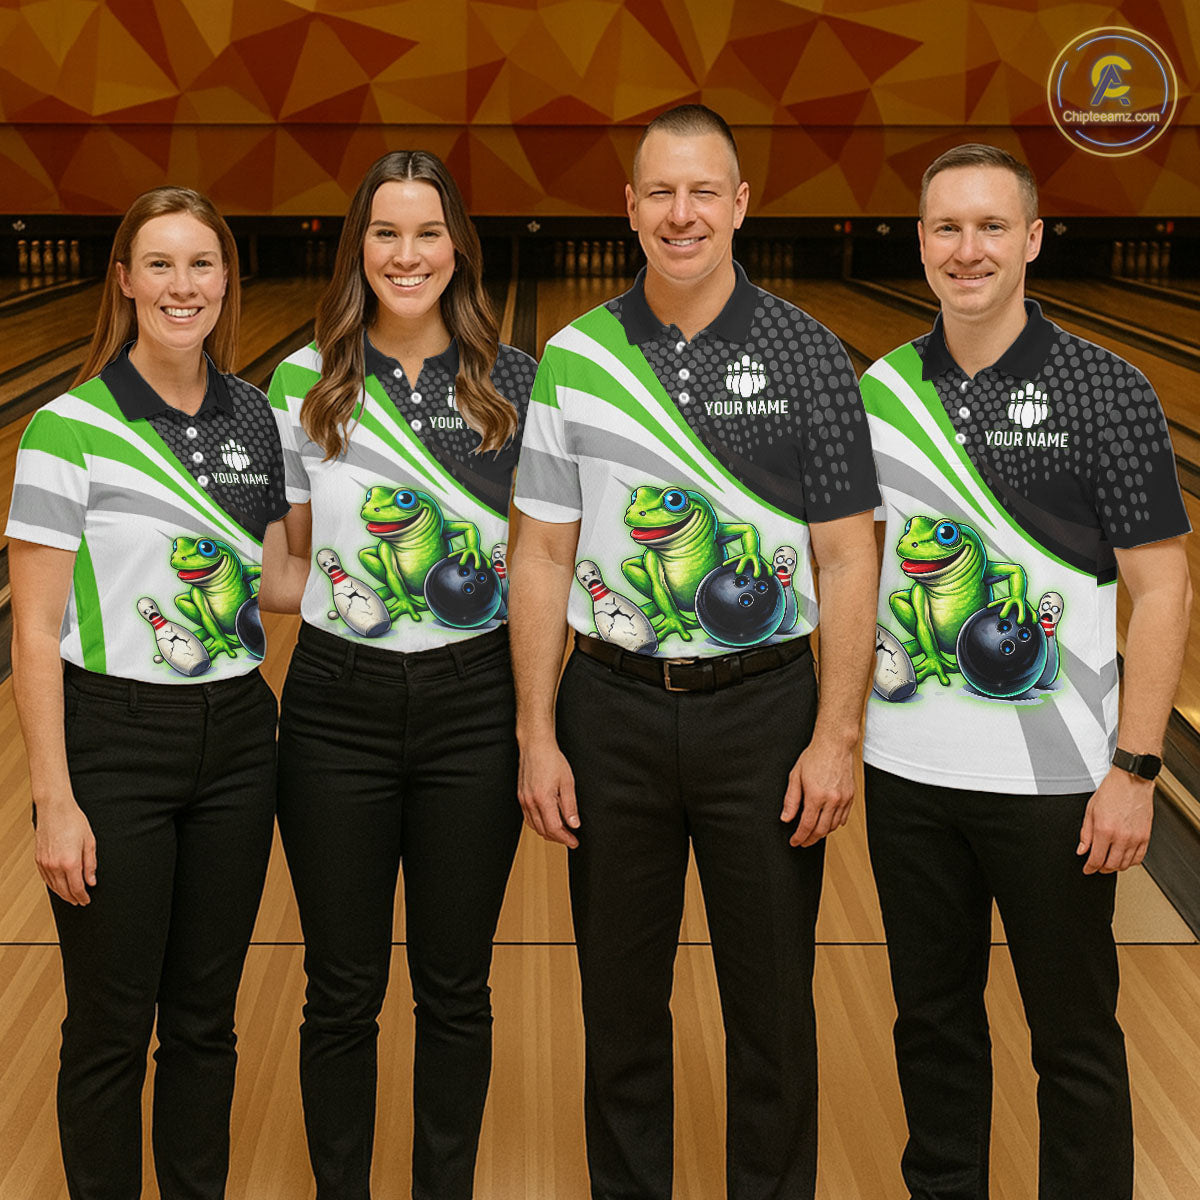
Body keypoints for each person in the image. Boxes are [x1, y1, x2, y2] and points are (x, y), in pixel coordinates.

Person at [509, 104, 880, 1199]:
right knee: (620, 1008)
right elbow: (542, 553)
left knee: (773, 1009)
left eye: (703, 191)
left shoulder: (810, 355)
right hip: (610, 711)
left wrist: (837, 735)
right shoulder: (576, 358)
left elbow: (847, 558)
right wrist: (536, 732)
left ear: (740, 205)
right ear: (629, 208)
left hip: (765, 715)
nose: (682, 214)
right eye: (661, 193)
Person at [860, 144, 1192, 1200]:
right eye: (947, 228)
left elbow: (1165, 589)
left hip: (1057, 785)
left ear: (1034, 238)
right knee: (932, 1025)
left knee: (1073, 1036)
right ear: (921, 242)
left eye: (992, 226)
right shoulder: (882, 391)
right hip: (907, 776)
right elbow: (850, 573)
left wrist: (1135, 769)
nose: (969, 250)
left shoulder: (1109, 390)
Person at [8, 187, 289, 1199]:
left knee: (205, 1022)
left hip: (239, 737)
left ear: (227, 280)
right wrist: (55, 799)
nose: (183, 285)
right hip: (113, 742)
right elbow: (33, 631)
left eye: (201, 263)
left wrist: (444, 566)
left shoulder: (256, 415)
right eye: (160, 264)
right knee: (111, 1027)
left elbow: (276, 576)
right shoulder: (67, 429)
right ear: (124, 279)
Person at [266, 150, 535, 1200]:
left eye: (428, 233)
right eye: (386, 233)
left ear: (459, 248)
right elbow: (287, 565)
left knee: (456, 990)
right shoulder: (304, 383)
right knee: (340, 991)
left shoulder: (516, 384)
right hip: (336, 708)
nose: (407, 254)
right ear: (359, 247)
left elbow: (549, 559)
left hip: (477, 705)